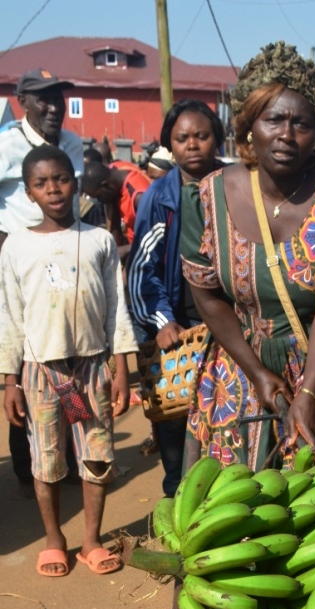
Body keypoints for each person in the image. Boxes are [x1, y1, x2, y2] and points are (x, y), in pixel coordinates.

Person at [180, 41, 315, 465]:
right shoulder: (205, 199)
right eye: (274, 119)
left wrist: (309, 392)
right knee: (236, 508)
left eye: (302, 124)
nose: (287, 135)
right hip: (241, 368)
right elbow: (207, 297)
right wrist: (256, 373)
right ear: (250, 123)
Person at [0, 145, 137, 576]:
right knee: (47, 461)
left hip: (92, 367)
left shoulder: (98, 240)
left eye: (60, 179)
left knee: (97, 456)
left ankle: (91, 540)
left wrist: (121, 368)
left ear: (75, 183)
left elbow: (116, 306)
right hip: (42, 370)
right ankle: (54, 539)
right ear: (29, 192)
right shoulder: (16, 246)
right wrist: (10, 381)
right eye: (41, 183)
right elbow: (9, 314)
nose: (53, 189)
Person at [127, 99, 225, 496]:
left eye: (201, 136)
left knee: (224, 411)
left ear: (216, 138)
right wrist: (161, 320)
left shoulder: (235, 184)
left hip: (227, 316)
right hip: (177, 319)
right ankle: (176, 494)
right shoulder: (158, 197)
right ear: (170, 143)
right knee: (175, 416)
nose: (192, 145)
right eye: (182, 138)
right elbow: (141, 269)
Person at [0, 68, 84, 494]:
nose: (53, 107)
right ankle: (28, 464)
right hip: (18, 262)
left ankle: (68, 455)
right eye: (42, 99)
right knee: (26, 358)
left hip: (65, 260)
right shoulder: (7, 145)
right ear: (22, 103)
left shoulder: (72, 144)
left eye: (59, 98)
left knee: (65, 356)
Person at [81, 157, 151, 254]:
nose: (100, 201)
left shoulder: (139, 198)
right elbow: (114, 223)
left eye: (98, 196)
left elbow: (158, 237)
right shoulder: (114, 169)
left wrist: (125, 250)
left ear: (105, 186)